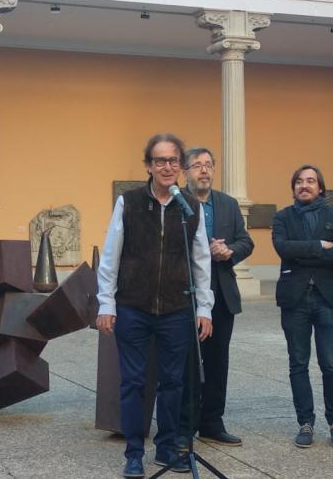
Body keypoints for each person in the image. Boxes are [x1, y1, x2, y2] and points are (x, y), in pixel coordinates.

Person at [96, 133, 215, 478]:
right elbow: (110, 256)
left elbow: (201, 261)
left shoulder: (189, 207)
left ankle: (166, 448)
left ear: (181, 166)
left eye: (173, 161)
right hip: (133, 306)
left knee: (173, 382)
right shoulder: (129, 202)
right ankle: (134, 453)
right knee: (133, 381)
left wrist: (204, 309)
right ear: (148, 165)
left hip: (177, 309)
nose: (167, 167)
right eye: (160, 160)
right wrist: (107, 303)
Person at [177, 148, 254, 449]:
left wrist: (229, 251)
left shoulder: (228, 204)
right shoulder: (176, 202)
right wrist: (199, 251)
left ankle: (212, 422)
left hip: (221, 292)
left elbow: (246, 241)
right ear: (186, 171)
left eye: (208, 165)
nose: (204, 171)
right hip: (186, 294)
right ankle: (185, 426)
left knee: (218, 360)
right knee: (187, 363)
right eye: (197, 166)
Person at [271, 165, 333, 449]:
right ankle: (305, 422)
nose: (304, 186)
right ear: (293, 187)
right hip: (294, 299)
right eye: (299, 182)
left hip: (327, 298)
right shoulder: (282, 217)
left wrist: (303, 250)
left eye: (310, 181)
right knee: (298, 363)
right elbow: (283, 249)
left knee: (331, 362)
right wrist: (319, 246)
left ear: (320, 188)